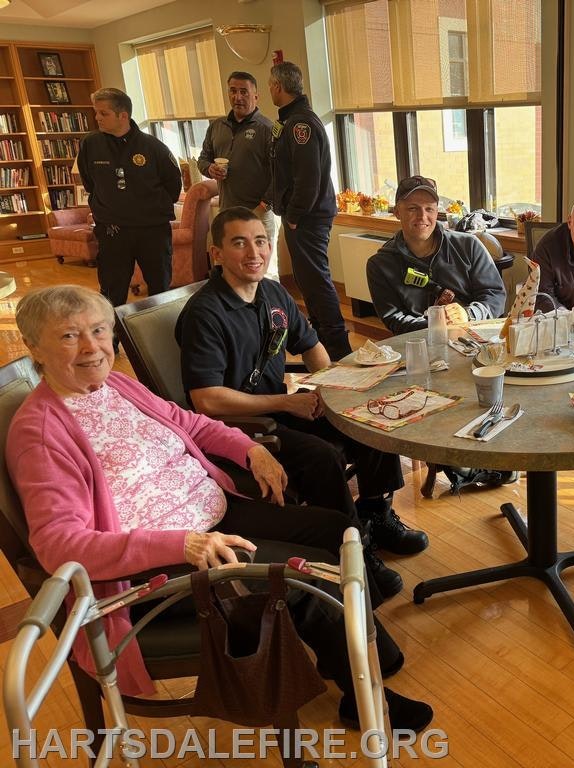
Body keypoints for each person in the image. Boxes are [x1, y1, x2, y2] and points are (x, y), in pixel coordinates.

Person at [6, 285, 433, 731]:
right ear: (34, 347)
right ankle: (362, 697)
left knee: (334, 529)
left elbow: (192, 423)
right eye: (69, 336)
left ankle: (360, 656)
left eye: (98, 330)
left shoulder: (116, 385)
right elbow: (60, 545)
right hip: (156, 570)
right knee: (300, 577)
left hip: (213, 513)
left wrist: (251, 449)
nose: (92, 347)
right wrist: (182, 544)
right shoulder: (41, 434)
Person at [176, 207, 427, 564]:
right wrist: (285, 402)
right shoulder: (205, 314)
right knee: (321, 455)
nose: (254, 252)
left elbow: (311, 347)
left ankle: (377, 513)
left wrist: (329, 390)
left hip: (276, 409)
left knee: (369, 418)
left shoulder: (273, 294)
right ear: (217, 253)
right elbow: (206, 400)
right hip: (236, 427)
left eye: (260, 241)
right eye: (239, 243)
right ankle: (352, 547)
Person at [267, 61, 350, 360]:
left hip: (308, 217)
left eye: (270, 85)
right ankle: (321, 342)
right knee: (307, 281)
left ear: (278, 86)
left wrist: (293, 216)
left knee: (315, 280)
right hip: (303, 215)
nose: (270, 90)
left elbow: (308, 178)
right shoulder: (291, 120)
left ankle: (338, 349)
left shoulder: (300, 124)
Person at [77, 87, 181, 308]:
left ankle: (157, 329)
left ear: (123, 115)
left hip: (152, 231)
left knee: (160, 287)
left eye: (103, 113)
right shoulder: (90, 144)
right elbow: (90, 183)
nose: (97, 118)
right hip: (112, 231)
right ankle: (112, 332)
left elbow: (173, 186)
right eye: (96, 112)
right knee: (111, 292)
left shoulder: (153, 147)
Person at [367, 175, 506, 334]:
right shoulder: (380, 265)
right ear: (397, 212)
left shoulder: (469, 246)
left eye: (429, 209)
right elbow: (394, 319)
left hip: (474, 338)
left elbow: (495, 295)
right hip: (420, 342)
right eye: (412, 208)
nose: (422, 216)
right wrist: (436, 324)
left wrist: (469, 314)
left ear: (437, 211)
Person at [198, 71, 277, 271]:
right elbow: (203, 159)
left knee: (260, 273)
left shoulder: (267, 129)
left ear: (256, 96)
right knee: (227, 272)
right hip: (226, 212)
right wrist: (209, 168)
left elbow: (280, 173)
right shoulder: (216, 126)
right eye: (233, 91)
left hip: (257, 213)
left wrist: (264, 204)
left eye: (243, 92)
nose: (237, 97)